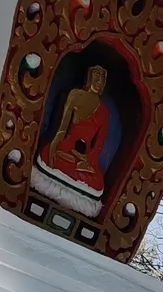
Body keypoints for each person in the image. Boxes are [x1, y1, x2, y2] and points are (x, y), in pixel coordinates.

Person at [37, 64, 111, 196]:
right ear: (89, 77)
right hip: (66, 147)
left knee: (97, 183)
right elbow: (62, 128)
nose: (99, 81)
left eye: (103, 78)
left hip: (85, 157)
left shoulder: (104, 112)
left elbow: (99, 144)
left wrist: (88, 159)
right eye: (97, 76)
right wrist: (54, 146)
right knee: (49, 157)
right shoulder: (75, 95)